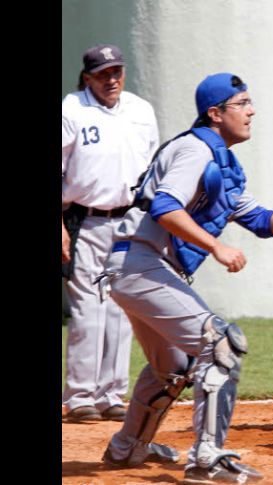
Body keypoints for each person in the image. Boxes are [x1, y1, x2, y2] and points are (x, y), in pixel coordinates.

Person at [98, 72, 273, 483]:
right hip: (142, 264)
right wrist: (216, 247)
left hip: (137, 268)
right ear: (215, 113)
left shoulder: (225, 165)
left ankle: (128, 446)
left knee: (172, 367)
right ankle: (207, 458)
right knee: (221, 343)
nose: (252, 111)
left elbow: (266, 222)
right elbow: (165, 206)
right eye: (242, 103)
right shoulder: (196, 149)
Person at [62, 44, 159, 423]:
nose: (112, 79)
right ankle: (82, 395)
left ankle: (112, 393)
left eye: (116, 70)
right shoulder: (71, 109)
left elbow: (151, 168)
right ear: (88, 77)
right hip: (85, 219)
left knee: (122, 307)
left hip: (132, 219)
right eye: (103, 73)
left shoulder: (140, 110)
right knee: (88, 308)